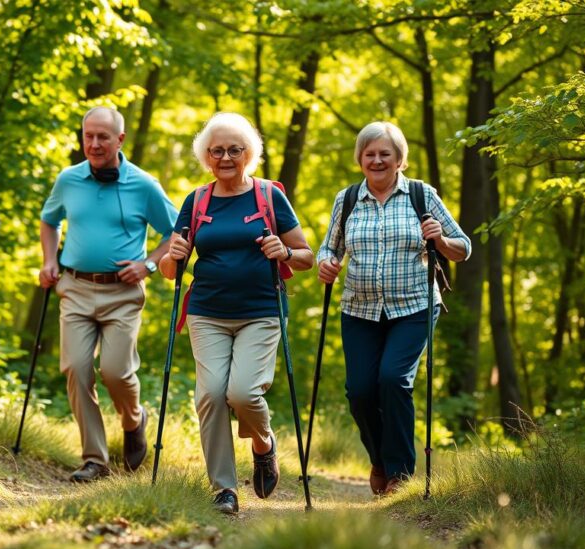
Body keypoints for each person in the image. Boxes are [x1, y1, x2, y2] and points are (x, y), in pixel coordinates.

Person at [159, 113, 313, 515]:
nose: (226, 156)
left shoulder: (268, 196)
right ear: (206, 156)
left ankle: (264, 446)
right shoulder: (197, 200)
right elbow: (170, 269)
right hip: (207, 312)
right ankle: (224, 489)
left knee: (242, 393)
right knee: (210, 396)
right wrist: (171, 257)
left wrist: (285, 252)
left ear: (249, 154)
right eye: (217, 150)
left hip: (260, 311)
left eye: (234, 149)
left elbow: (307, 257)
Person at [316, 121, 470, 496]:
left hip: (414, 307)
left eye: (385, 153)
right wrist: (326, 263)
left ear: (399, 159)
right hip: (360, 309)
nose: (377, 160)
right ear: (360, 159)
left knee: (393, 381)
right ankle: (380, 459)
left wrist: (441, 239)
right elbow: (329, 248)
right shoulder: (347, 199)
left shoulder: (422, 195)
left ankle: (400, 473)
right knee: (360, 391)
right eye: (370, 154)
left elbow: (463, 247)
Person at [39, 107, 178, 482]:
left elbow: (177, 233)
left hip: (123, 294)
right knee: (76, 369)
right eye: (89, 136)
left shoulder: (144, 184)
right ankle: (94, 459)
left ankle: (134, 419)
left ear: (120, 139)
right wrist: (49, 260)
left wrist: (148, 265)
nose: (95, 144)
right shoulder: (68, 179)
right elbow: (49, 221)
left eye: (103, 136)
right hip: (76, 288)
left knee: (116, 372)